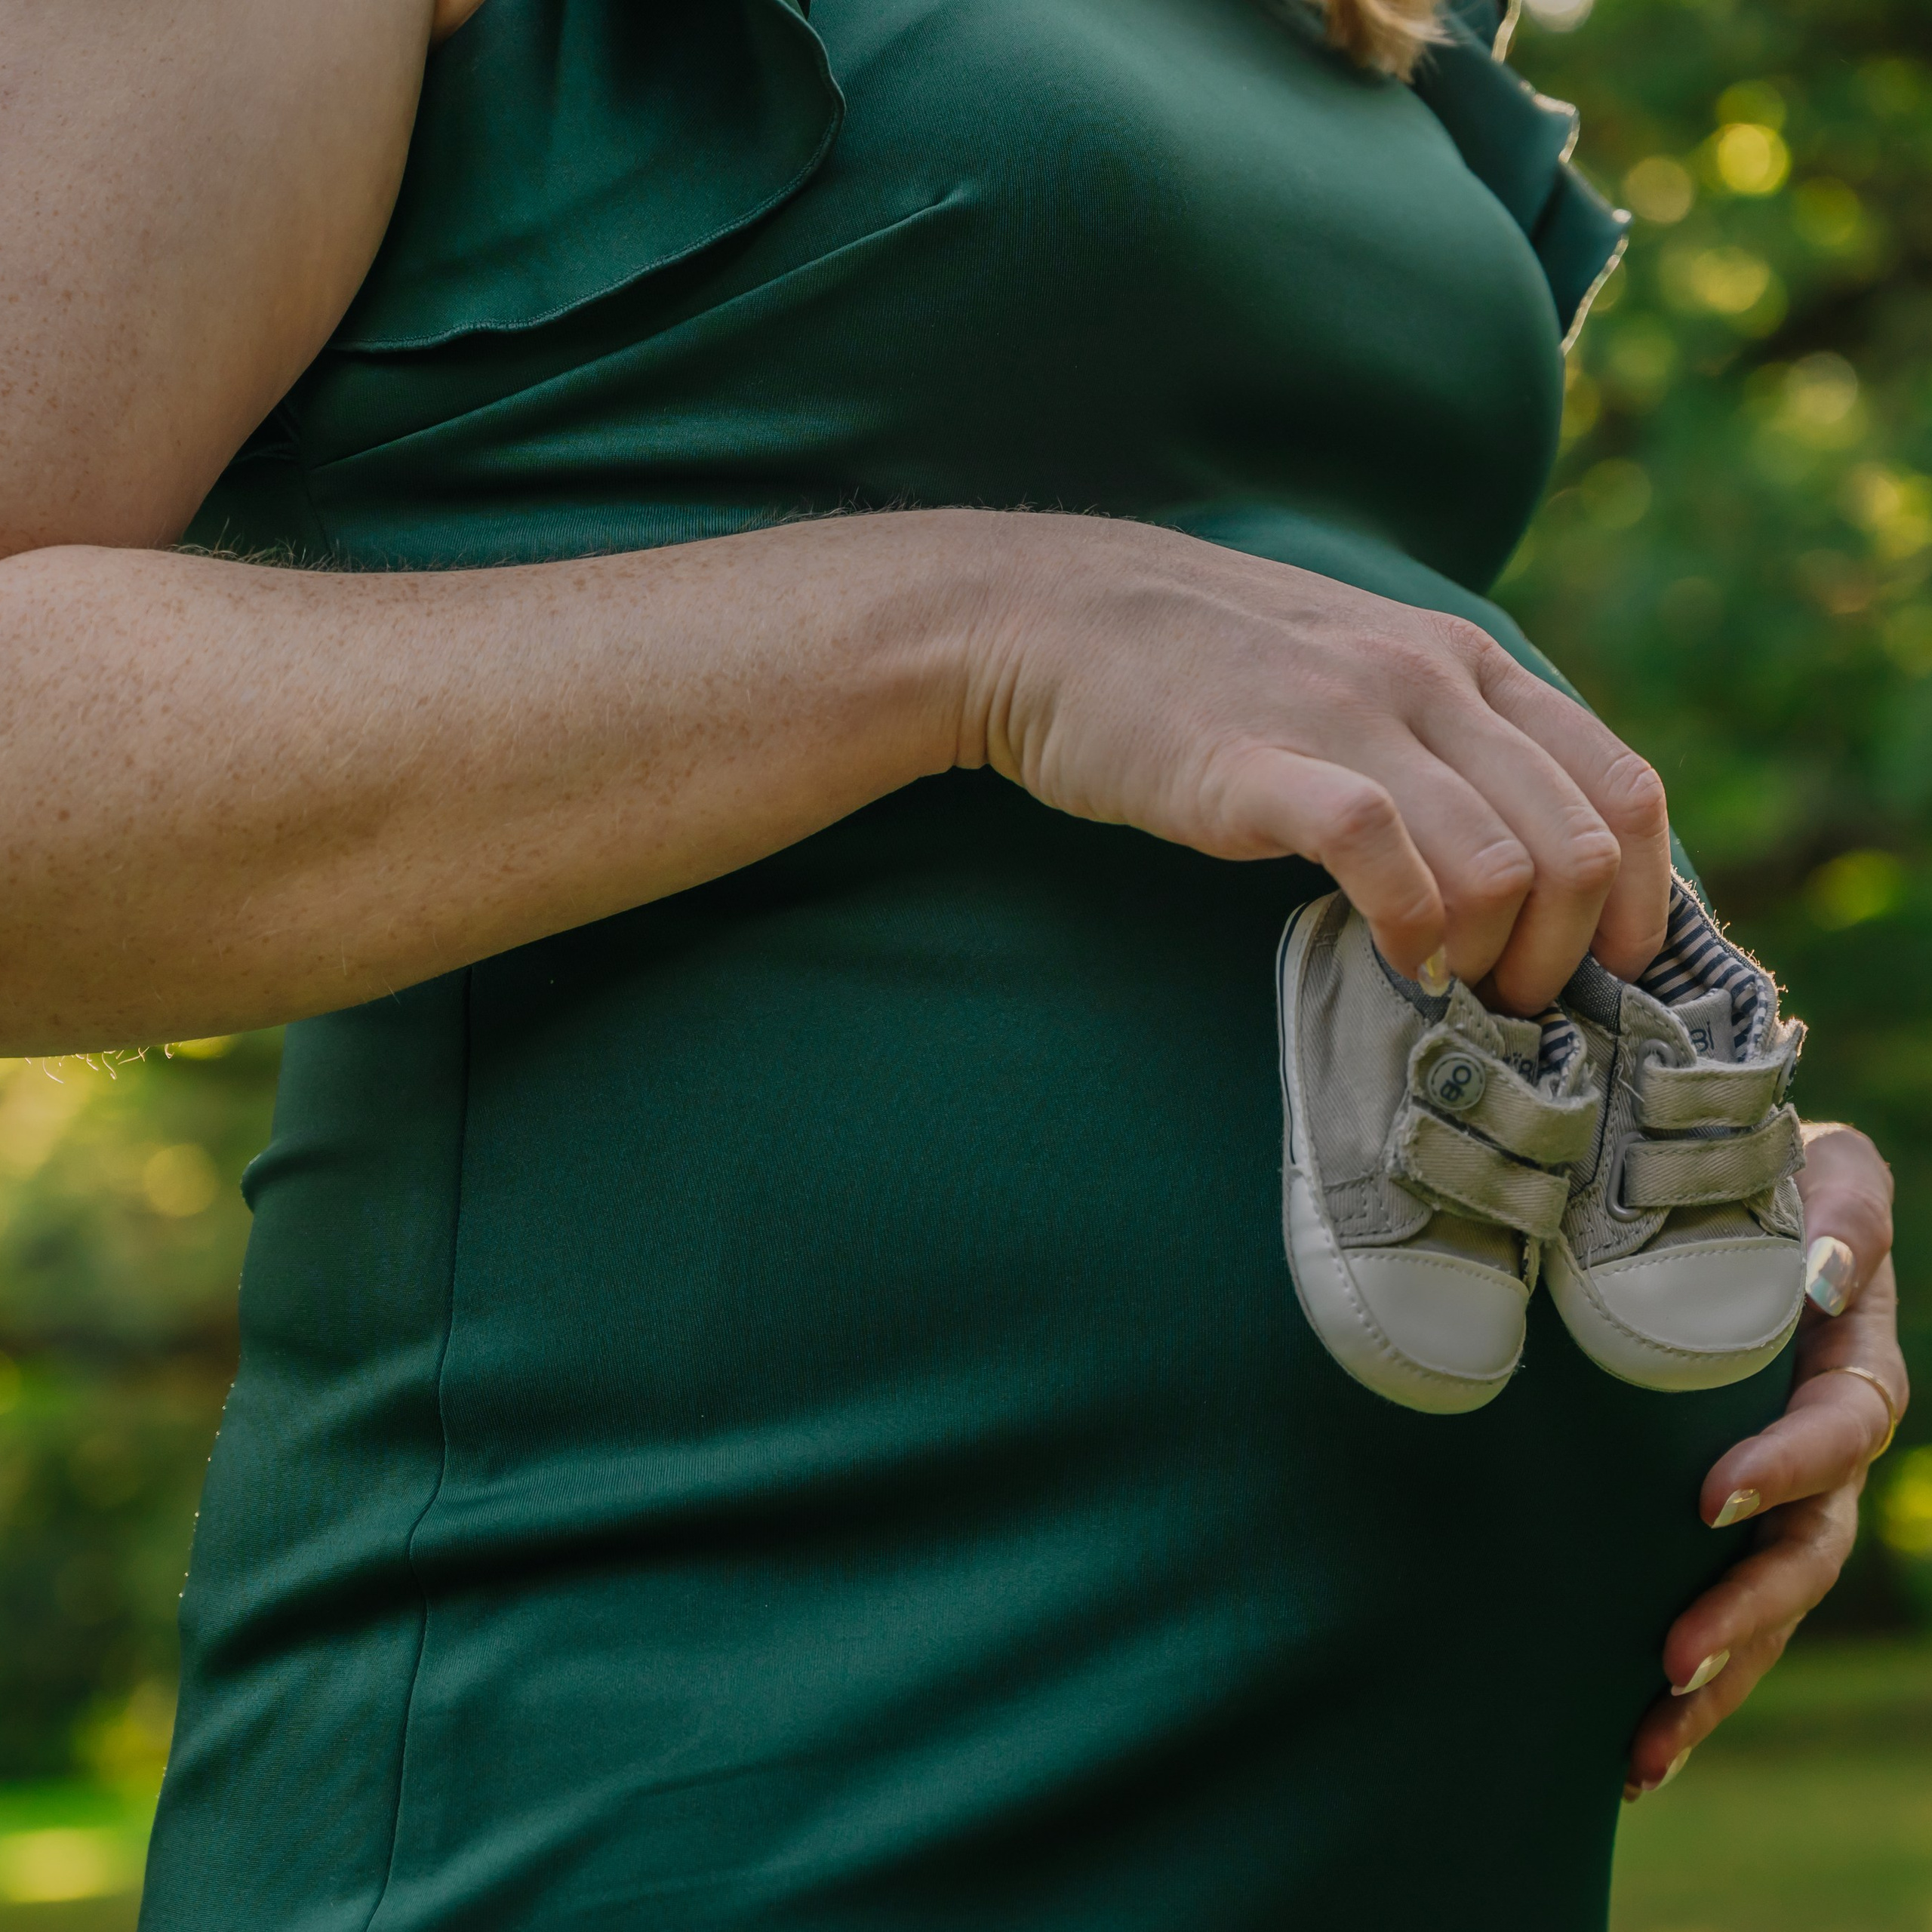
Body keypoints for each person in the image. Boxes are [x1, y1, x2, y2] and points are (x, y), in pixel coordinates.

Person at [0, 0, 1907, 1924]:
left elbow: (1311, 673)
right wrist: (988, 628)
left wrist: (1662, 1142)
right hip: (692, 1740)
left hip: (1397, 1798)